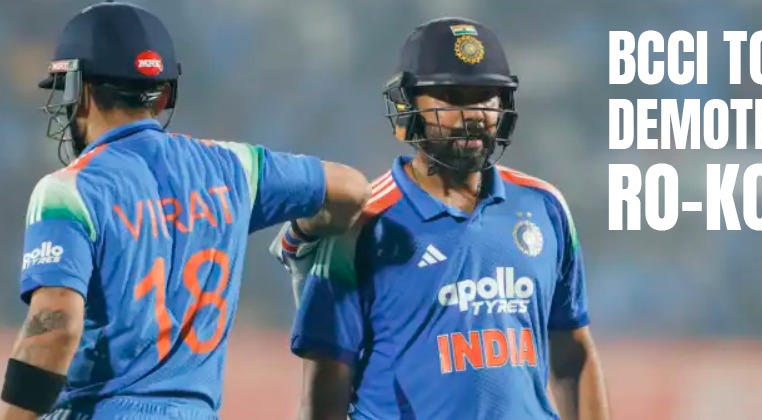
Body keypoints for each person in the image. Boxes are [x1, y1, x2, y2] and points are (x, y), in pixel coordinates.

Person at [0, 2, 369, 420]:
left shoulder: (68, 190)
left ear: (78, 90)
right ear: (164, 95)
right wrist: (299, 236)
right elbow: (352, 189)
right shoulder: (233, 167)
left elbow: (54, 329)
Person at [272, 17, 610, 420]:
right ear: (407, 105)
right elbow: (325, 392)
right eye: (452, 97)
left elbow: (572, 355)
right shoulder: (360, 226)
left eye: (487, 96)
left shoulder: (545, 206)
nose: (475, 114)